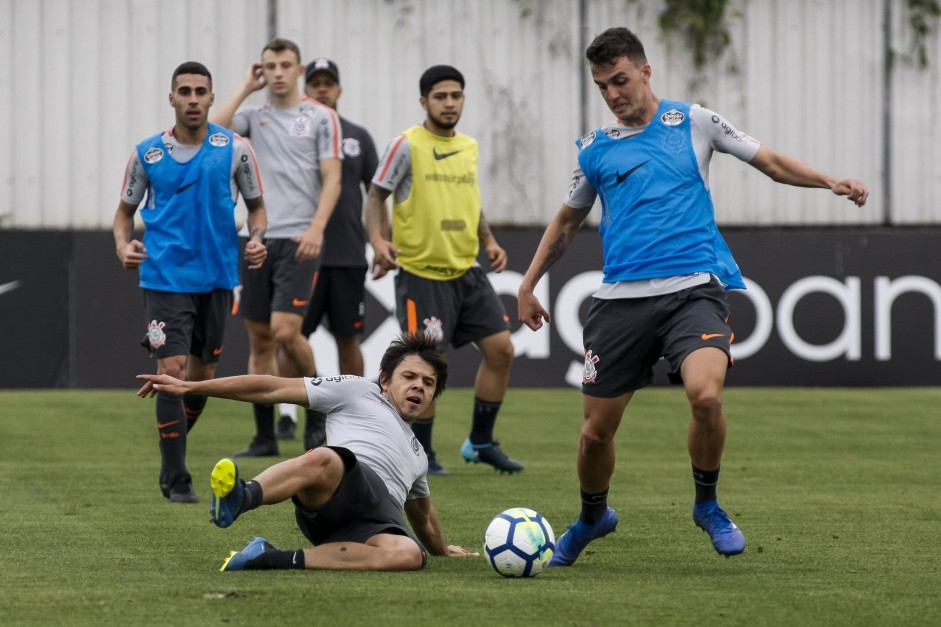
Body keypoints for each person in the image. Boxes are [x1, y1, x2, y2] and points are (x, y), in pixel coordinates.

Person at [517, 27, 869, 564]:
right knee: (594, 435)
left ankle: (707, 504)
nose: (613, 94)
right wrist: (527, 284)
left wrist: (830, 182)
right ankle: (593, 516)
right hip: (619, 303)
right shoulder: (593, 150)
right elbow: (567, 222)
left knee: (706, 395)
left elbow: (769, 162)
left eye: (620, 80)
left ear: (645, 71)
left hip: (693, 291)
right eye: (602, 86)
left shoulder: (694, 121)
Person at [135, 333, 479, 571]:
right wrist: (191, 386)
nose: (419, 385)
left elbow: (422, 517)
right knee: (329, 458)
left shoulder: (419, 455)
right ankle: (241, 497)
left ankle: (268, 558)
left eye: (429, 383)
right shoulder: (359, 390)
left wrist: (443, 550)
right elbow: (272, 387)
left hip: (374, 523)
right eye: (410, 376)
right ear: (385, 381)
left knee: (409, 555)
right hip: (340, 487)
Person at [113, 61, 268, 503]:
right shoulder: (147, 154)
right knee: (172, 371)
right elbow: (123, 215)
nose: (194, 99)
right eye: (185, 91)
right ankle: (177, 476)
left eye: (201, 91)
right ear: (172, 99)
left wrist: (257, 239)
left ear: (212, 97)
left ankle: (172, 447)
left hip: (218, 275)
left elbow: (257, 209)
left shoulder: (234, 149)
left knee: (202, 376)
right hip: (164, 277)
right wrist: (124, 247)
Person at [364, 65, 522, 475]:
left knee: (502, 350)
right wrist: (379, 241)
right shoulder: (406, 145)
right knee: (427, 364)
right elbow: (376, 195)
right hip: (422, 274)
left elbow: (471, 200)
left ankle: (481, 442)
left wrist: (488, 240)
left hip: (467, 271)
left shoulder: (468, 146)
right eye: (440, 96)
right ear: (424, 102)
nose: (449, 103)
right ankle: (425, 454)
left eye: (456, 96)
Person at [211, 38, 343, 456]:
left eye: (286, 65)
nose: (278, 72)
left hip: (300, 238)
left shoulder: (320, 117)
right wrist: (245, 88)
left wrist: (317, 229)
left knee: (287, 333)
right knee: (260, 340)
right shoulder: (253, 116)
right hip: (255, 239)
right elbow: (214, 132)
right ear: (262, 70)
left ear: (298, 70)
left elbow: (333, 178)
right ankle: (265, 436)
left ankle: (318, 412)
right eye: (271, 66)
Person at [274, 58, 381, 440]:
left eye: (328, 83)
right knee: (288, 335)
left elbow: (376, 194)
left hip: (347, 253)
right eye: (315, 82)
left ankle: (354, 414)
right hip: (300, 251)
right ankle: (288, 412)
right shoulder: (290, 132)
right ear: (306, 88)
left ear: (339, 89)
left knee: (348, 337)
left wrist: (380, 239)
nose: (322, 88)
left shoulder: (356, 136)